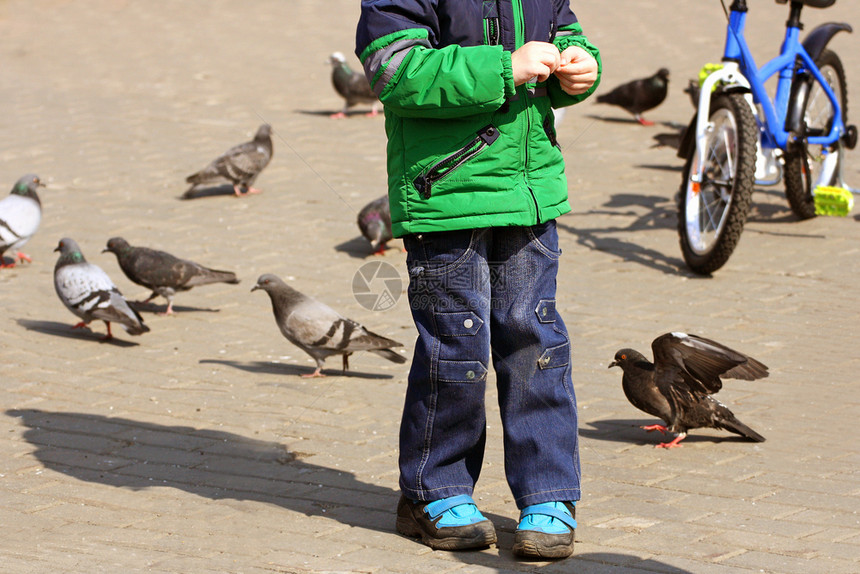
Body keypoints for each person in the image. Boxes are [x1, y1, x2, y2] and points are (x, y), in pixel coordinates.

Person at [355, 0, 600, 560]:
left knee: (536, 343)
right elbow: (394, 72)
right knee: (456, 347)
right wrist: (503, 69)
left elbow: (568, 34)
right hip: (445, 198)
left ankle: (548, 493)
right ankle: (433, 491)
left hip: (531, 195)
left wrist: (580, 67)